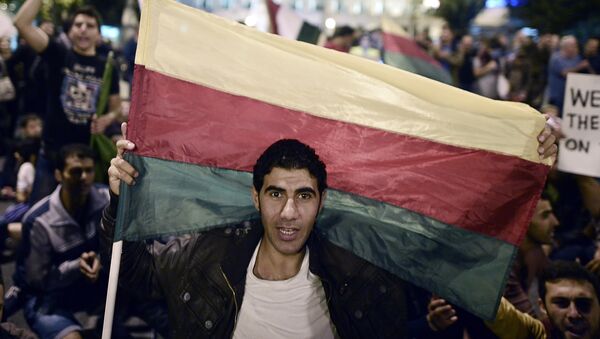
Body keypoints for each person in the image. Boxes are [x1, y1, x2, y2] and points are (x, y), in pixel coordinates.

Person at [103, 120, 557, 338]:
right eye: (276, 194)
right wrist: (121, 203)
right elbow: (133, 275)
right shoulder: (209, 254)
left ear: (321, 202)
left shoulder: (361, 265)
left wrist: (526, 155)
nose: (288, 213)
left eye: (303, 196)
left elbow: (451, 230)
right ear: (254, 197)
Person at [14, 2, 121, 204]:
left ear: (98, 34)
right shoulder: (57, 53)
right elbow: (21, 23)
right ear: (70, 31)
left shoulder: (108, 68)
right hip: (52, 155)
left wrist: (107, 119)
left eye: (90, 26)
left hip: (86, 161)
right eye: (78, 24)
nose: (83, 29)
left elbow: (116, 108)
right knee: (41, 214)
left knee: (83, 223)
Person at [18, 144, 108, 339]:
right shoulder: (39, 220)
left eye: (89, 170)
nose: (84, 177)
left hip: (94, 291)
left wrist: (100, 261)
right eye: (76, 171)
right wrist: (77, 266)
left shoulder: (106, 198)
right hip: (48, 300)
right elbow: (37, 281)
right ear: (59, 175)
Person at [504, 195, 560, 317]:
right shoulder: (503, 264)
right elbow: (530, 323)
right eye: (545, 215)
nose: (556, 222)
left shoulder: (535, 251)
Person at [538, 261, 600, 339]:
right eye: (562, 303)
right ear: (543, 307)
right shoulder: (533, 332)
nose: (574, 314)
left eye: (583, 303)